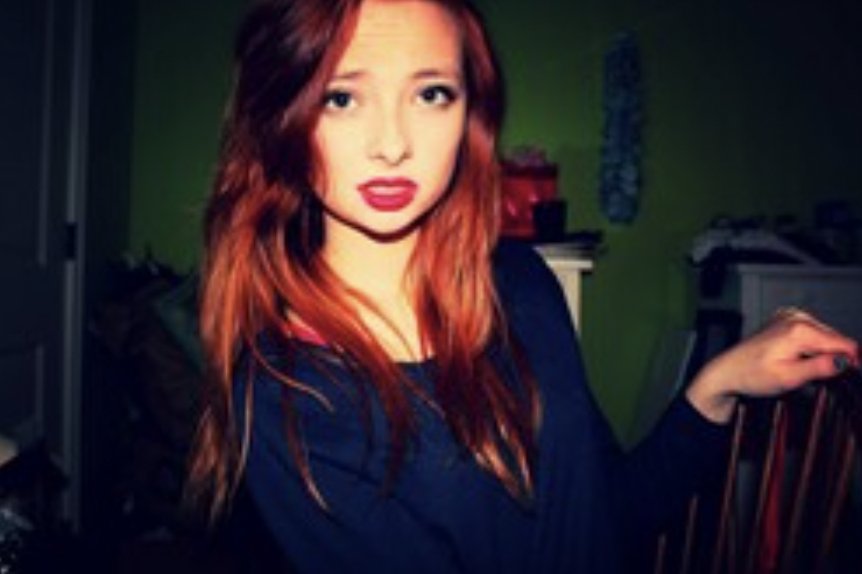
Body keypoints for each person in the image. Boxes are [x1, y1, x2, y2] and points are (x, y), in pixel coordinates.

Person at [187, 0, 860, 571]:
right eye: (342, 97)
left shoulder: (522, 284)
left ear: (470, 116)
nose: (392, 144)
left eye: (431, 93)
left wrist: (717, 387)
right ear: (280, 119)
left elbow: (605, 522)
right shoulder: (286, 395)